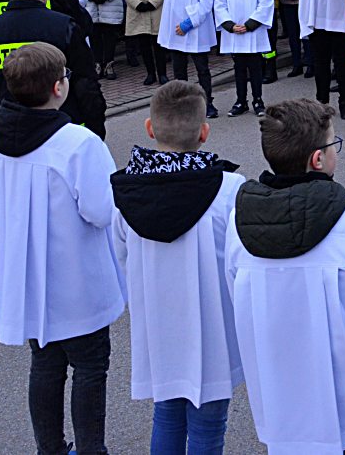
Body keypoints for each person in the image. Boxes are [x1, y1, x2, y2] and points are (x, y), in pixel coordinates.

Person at [225, 98, 345, 453]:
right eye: (334, 144)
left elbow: (236, 289)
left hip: (280, 385)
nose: (336, 152)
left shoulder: (239, 222)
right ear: (318, 159)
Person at [0, 42, 124, 455]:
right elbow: (100, 210)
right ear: (60, 87)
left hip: (29, 280)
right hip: (77, 280)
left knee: (45, 364)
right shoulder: (78, 143)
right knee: (90, 367)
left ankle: (50, 448)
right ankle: (92, 449)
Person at [110, 81, 246, 455]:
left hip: (157, 322)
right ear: (205, 132)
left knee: (167, 415)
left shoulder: (124, 193)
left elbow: (121, 256)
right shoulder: (230, 190)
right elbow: (241, 260)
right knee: (208, 425)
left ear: (150, 129)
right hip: (211, 323)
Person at [0, 0, 107, 138]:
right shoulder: (64, 27)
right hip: (61, 126)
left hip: (11, 127)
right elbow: (85, 82)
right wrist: (95, 125)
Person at [148, 0, 218, 118]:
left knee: (202, 69)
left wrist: (189, 23)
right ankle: (183, 106)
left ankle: (207, 103)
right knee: (179, 72)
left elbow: (205, 5)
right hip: (175, 32)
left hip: (195, 30)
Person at [215, 0, 275, 118]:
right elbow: (219, 4)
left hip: (252, 31)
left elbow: (266, 4)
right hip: (234, 32)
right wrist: (229, 25)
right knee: (239, 68)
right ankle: (240, 101)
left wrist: (250, 25)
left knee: (255, 68)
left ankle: (258, 100)